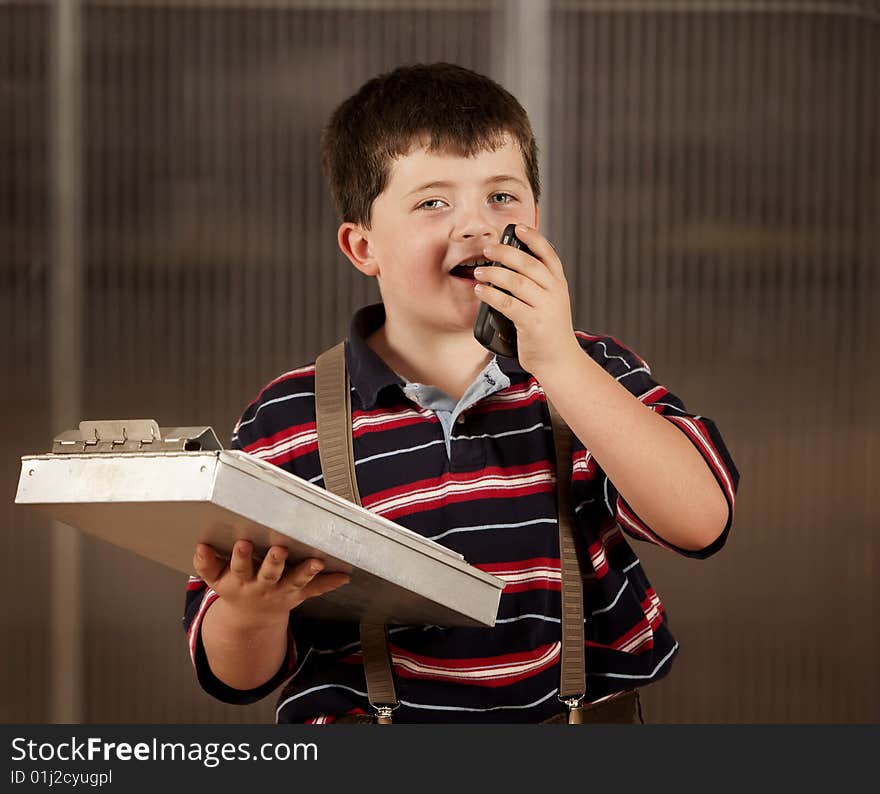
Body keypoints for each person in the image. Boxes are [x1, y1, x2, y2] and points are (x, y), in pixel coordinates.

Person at [183, 62, 739, 724]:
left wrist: (558, 359)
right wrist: (252, 610)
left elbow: (701, 521)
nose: (475, 226)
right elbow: (233, 675)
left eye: (502, 198)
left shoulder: (589, 373)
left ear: (537, 216)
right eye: (432, 202)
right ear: (362, 247)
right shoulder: (289, 419)